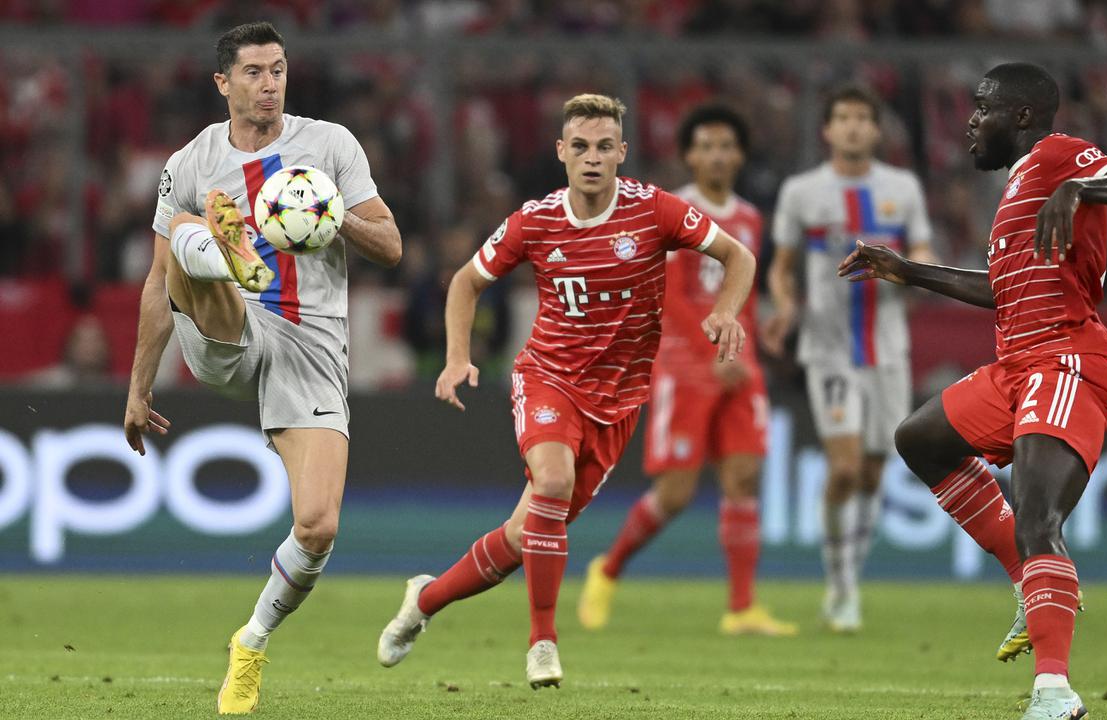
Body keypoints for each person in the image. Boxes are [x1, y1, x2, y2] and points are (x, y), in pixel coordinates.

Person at [376, 94, 756, 688]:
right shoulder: (533, 221)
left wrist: (727, 311)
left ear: (622, 153)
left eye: (605, 146)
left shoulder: (654, 211)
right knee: (550, 482)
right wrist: (456, 359)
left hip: (619, 401)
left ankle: (424, 601)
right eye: (580, 146)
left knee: (524, 535)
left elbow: (739, 257)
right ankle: (542, 642)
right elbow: (465, 283)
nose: (593, 158)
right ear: (561, 152)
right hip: (547, 377)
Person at [838, 62, 1107, 720]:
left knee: (1037, 517)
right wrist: (907, 271)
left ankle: (1053, 691)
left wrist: (1080, 186)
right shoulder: (1020, 185)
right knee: (921, 440)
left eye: (983, 107)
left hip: (1066, 358)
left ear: (1021, 117)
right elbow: (1000, 289)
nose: (970, 120)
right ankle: (1029, 584)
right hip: (1016, 365)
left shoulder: (1058, 156)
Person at [121, 22, 401, 715]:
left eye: (277, 70)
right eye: (253, 72)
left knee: (317, 525)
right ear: (223, 83)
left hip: (311, 343)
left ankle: (250, 641)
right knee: (184, 237)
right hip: (230, 323)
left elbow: (391, 245)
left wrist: (335, 219)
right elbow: (157, 282)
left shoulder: (330, 145)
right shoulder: (191, 162)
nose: (269, 83)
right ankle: (228, 251)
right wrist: (138, 386)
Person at [576, 103, 795, 637]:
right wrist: (709, 356)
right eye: (707, 146)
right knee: (676, 493)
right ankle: (607, 569)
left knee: (744, 478)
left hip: (738, 364)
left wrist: (753, 336)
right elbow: (670, 297)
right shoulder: (671, 211)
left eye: (727, 146)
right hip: (686, 364)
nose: (718, 155)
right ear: (690, 156)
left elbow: (738, 294)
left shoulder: (749, 217)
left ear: (739, 155)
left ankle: (741, 608)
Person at [762, 84, 936, 632]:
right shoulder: (802, 191)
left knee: (873, 472)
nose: (854, 127)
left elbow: (924, 251)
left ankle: (850, 582)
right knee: (842, 468)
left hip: (887, 349)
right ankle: (840, 587)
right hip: (829, 348)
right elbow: (782, 266)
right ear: (828, 130)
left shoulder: (902, 188)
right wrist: (786, 306)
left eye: (864, 118)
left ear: (877, 130)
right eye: (844, 118)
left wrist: (914, 267)